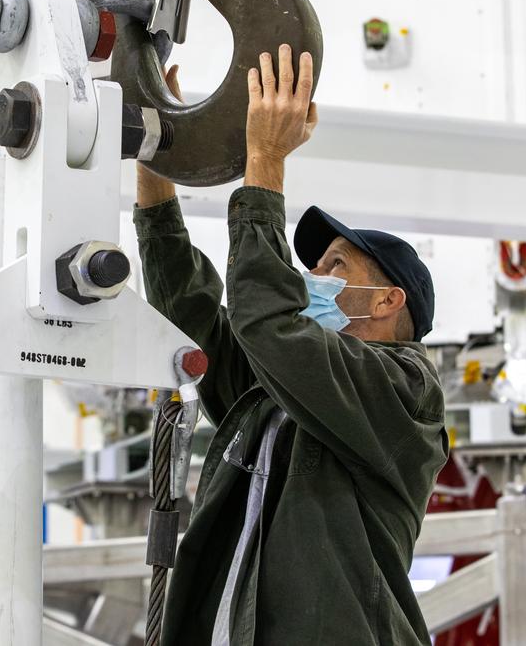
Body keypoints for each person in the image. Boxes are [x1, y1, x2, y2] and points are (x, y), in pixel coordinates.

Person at [135, 45, 449, 645]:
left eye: (334, 265)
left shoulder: (405, 392)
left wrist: (267, 158)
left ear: (387, 300)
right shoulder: (276, 397)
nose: (315, 279)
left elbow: (268, 321)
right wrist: (155, 157)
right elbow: (191, 312)